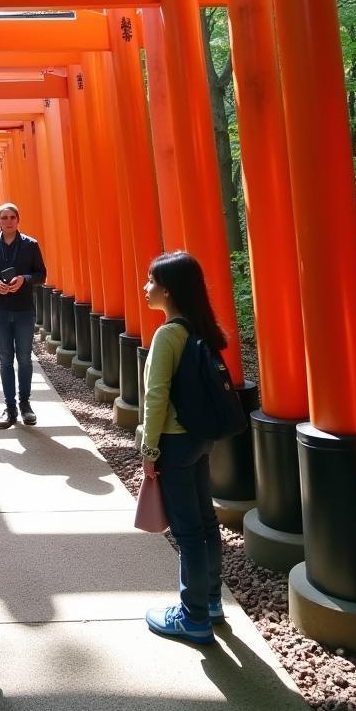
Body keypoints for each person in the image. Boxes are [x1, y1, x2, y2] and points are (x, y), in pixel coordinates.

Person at [140, 250, 226, 646]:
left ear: (168, 290)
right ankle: (209, 602)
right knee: (205, 522)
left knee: (189, 531)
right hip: (199, 438)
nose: (146, 288)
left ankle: (192, 617)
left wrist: (149, 449)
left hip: (174, 440)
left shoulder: (167, 334)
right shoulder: (198, 327)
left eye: (151, 281)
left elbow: (155, 397)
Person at [0, 202, 46, 430]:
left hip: (24, 309)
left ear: (18, 220)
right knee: (6, 360)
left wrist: (24, 279)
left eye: (11, 217)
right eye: (3, 218)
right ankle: (10, 407)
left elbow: (41, 274)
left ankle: (25, 403)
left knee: (25, 359)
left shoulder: (30, 245)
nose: (8, 221)